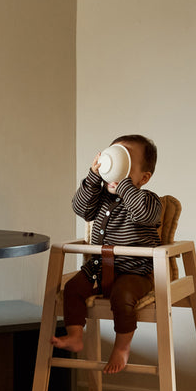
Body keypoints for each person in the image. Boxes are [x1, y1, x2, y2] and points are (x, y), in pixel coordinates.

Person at [52, 134, 162, 373]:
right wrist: (94, 177)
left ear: (143, 177)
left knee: (122, 297)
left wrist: (124, 185)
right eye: (114, 158)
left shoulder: (148, 201)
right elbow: (80, 208)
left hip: (134, 273)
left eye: (126, 163)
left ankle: (122, 347)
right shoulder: (100, 199)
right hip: (99, 269)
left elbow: (143, 213)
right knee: (72, 289)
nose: (116, 167)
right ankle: (75, 336)